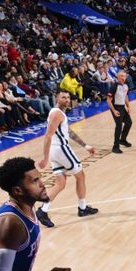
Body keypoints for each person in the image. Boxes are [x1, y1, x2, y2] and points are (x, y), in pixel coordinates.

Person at [35, 91, 99, 228]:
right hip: (61, 149)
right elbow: (47, 136)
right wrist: (45, 158)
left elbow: (68, 132)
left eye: (68, 97)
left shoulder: (59, 114)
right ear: (57, 98)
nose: (66, 99)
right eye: (63, 97)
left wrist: (85, 145)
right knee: (80, 176)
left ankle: (43, 210)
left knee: (61, 183)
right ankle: (82, 208)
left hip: (55, 151)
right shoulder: (57, 113)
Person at [107, 70, 132, 154]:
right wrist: (114, 111)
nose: (123, 77)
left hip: (122, 107)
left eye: (124, 76)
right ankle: (115, 147)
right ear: (117, 77)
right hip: (116, 107)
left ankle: (123, 140)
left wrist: (128, 106)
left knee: (129, 123)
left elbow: (125, 97)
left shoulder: (126, 86)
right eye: (121, 76)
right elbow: (108, 100)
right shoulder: (114, 86)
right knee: (119, 126)